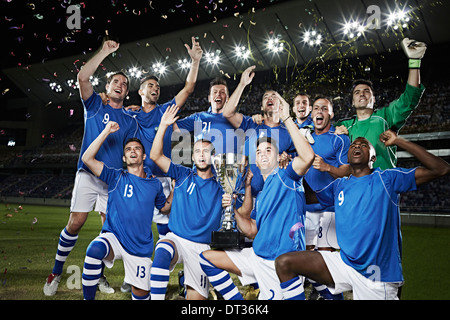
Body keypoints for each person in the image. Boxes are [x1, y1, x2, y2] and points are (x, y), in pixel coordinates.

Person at [275, 131, 450, 300]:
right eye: (353, 145)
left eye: (363, 145)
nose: (357, 146)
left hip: (376, 275)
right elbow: (310, 196)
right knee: (285, 263)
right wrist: (294, 170)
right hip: (345, 263)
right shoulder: (340, 185)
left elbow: (441, 169)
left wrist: (399, 141)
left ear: (373, 157)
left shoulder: (387, 179)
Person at [43, 38, 138, 296]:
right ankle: (56, 271)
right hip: (87, 173)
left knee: (109, 230)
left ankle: (97, 274)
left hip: (111, 179)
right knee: (76, 222)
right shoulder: (96, 104)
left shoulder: (129, 120)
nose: (120, 85)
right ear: (107, 86)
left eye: (124, 84)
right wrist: (104, 52)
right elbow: (83, 77)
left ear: (126, 92)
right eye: (115, 81)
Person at [199, 93, 315, 300]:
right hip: (258, 257)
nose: (262, 153)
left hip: (282, 263)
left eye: (268, 149)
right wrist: (232, 209)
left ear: (279, 157)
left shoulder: (286, 177)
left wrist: (287, 118)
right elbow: (253, 230)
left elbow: (307, 157)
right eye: (259, 150)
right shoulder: (262, 192)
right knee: (207, 258)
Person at [80, 121, 172, 300]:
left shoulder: (155, 184)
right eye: (128, 149)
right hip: (114, 237)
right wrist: (106, 131)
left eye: (137, 148)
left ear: (144, 155)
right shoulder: (115, 177)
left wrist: (175, 190)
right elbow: (87, 159)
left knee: (141, 295)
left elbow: (164, 209)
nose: (132, 151)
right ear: (124, 158)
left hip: (140, 248)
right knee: (94, 250)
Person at [149, 105, 225, 300]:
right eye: (197, 151)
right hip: (178, 240)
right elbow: (155, 156)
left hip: (203, 249)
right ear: (192, 157)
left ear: (214, 157)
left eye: (206, 151)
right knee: (163, 249)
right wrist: (165, 125)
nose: (201, 154)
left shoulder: (223, 184)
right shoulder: (183, 174)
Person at [335, 38, 426, 170]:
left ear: (374, 99)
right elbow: (320, 132)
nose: (362, 94)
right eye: (357, 92)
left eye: (366, 91)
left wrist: (414, 62)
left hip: (384, 184)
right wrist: (334, 133)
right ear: (352, 102)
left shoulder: (386, 116)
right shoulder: (344, 126)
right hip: (356, 186)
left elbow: (409, 98)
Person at [302, 96, 351, 300]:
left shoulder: (339, 138)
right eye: (315, 108)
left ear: (331, 114)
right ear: (311, 113)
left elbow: (347, 172)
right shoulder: (303, 137)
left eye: (324, 108)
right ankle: (319, 293)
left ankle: (333, 297)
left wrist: (327, 167)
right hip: (304, 208)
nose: (319, 111)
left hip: (329, 208)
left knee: (324, 261)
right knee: (304, 259)